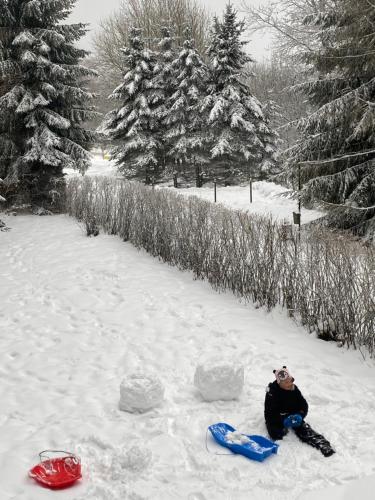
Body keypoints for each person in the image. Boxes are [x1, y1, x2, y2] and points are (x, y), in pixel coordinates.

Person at [264, 366, 335, 457]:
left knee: (304, 428)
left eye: (291, 380)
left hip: (292, 414)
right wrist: (282, 420)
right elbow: (269, 413)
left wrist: (300, 415)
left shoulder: (294, 389)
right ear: (279, 383)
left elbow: (303, 405)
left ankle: (322, 444)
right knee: (276, 433)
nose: (290, 384)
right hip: (277, 416)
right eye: (286, 382)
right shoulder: (272, 392)